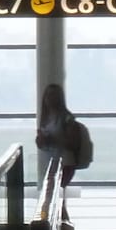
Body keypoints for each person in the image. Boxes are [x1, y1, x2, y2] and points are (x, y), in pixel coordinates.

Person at [35, 83, 78, 220]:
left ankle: (48, 223)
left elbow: (72, 143)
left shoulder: (67, 118)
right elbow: (41, 144)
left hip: (65, 163)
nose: (49, 99)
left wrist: (53, 139)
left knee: (52, 197)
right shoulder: (46, 118)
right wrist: (41, 140)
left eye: (53, 96)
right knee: (54, 198)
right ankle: (59, 224)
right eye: (47, 95)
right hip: (51, 162)